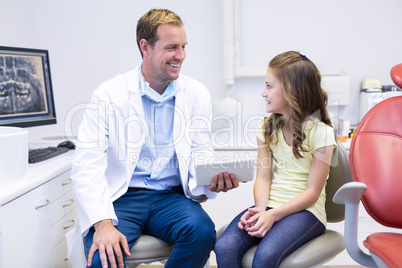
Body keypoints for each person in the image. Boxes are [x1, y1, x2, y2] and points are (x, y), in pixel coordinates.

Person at [70, 9, 239, 268]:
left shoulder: (196, 94)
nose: (180, 56)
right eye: (172, 47)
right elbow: (87, 165)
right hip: (121, 198)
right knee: (102, 257)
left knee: (202, 233)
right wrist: (102, 224)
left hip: (170, 198)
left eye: (183, 47)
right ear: (145, 47)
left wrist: (212, 180)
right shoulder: (108, 94)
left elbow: (201, 153)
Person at [214, 51, 337, 267]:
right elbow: (262, 177)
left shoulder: (322, 134)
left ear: (292, 91)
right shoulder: (266, 128)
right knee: (225, 246)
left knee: (266, 255)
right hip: (270, 205)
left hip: (307, 212)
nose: (263, 93)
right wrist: (261, 209)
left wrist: (274, 215)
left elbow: (312, 193)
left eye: (269, 86)